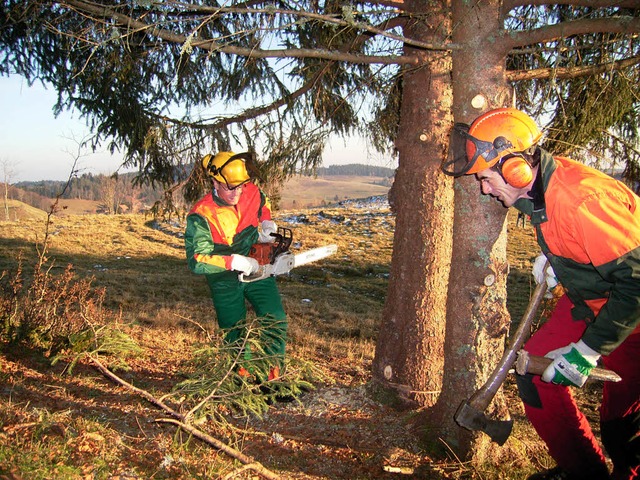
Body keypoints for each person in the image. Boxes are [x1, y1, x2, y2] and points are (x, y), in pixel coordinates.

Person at [446, 107, 640, 480]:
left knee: (621, 428)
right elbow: (574, 234)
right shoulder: (540, 185)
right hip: (589, 301)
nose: (484, 189)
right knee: (534, 374)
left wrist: (587, 351)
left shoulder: (583, 201)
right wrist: (556, 259)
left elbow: (636, 283)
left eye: (486, 178)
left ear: (515, 168)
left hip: (631, 315)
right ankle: (584, 472)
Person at [184, 151, 287, 382]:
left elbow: (263, 204)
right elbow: (197, 260)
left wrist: (267, 224)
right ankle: (241, 380)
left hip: (257, 264)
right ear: (214, 182)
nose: (237, 193)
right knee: (234, 329)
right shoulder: (201, 214)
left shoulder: (250, 191)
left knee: (275, 317)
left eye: (240, 187)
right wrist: (233, 262)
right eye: (230, 188)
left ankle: (274, 378)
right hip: (222, 275)